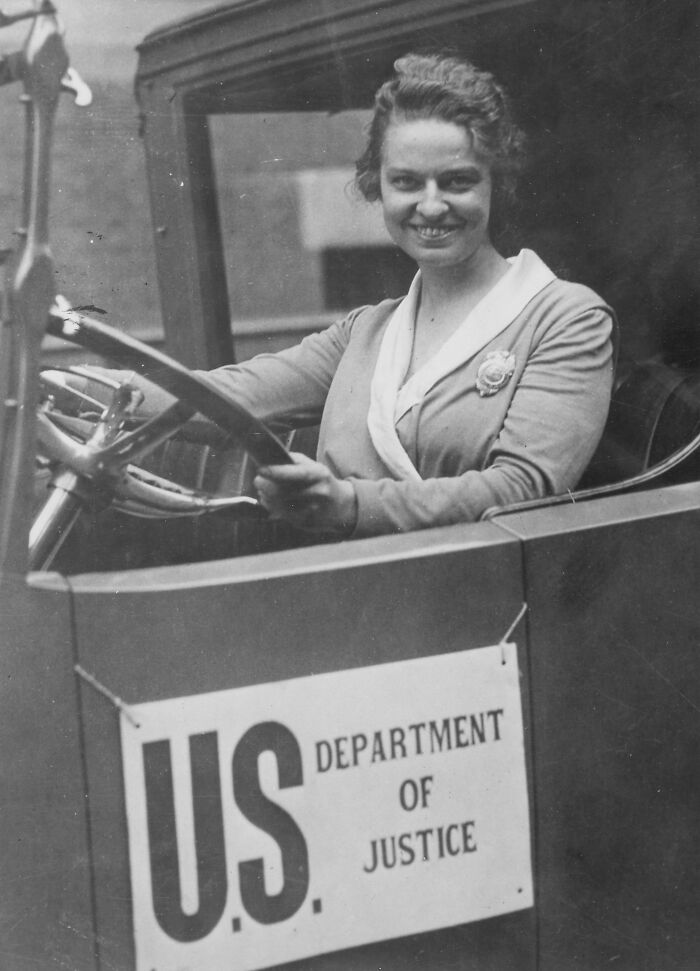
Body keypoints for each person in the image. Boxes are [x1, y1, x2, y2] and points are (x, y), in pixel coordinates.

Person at [194, 52, 615, 538]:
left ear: (496, 183)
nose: (431, 206)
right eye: (406, 182)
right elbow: (224, 396)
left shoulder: (566, 317)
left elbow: (524, 489)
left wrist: (348, 503)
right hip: (350, 584)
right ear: (379, 186)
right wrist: (86, 389)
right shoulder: (367, 332)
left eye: (458, 181)